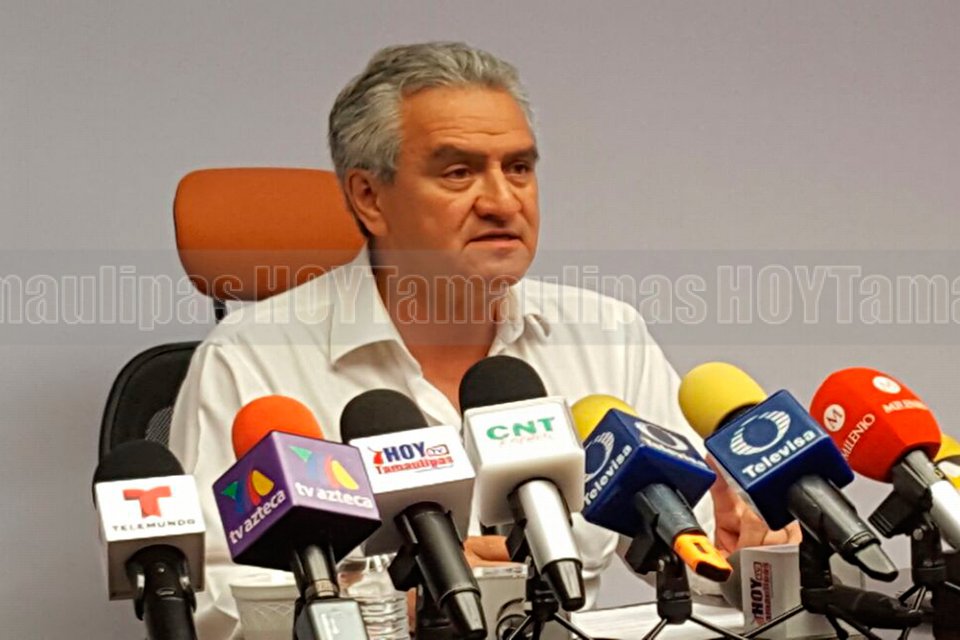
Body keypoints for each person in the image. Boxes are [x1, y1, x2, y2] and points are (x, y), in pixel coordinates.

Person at [169, 41, 800, 639]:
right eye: (459, 172)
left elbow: (696, 550)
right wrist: (394, 604)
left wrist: (742, 553)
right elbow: (207, 604)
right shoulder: (251, 362)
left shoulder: (606, 336)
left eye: (518, 168)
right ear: (369, 198)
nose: (502, 201)